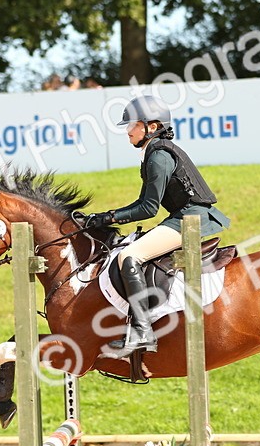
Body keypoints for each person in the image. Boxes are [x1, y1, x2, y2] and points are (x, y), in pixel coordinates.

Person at [81, 96, 231, 355]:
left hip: (190, 219)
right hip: (186, 217)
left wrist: (109, 217)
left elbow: (148, 208)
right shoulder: (155, 152)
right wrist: (107, 215)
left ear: (151, 127)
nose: (128, 132)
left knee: (129, 256)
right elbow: (144, 202)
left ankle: (141, 331)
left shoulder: (159, 156)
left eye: (132, 126)